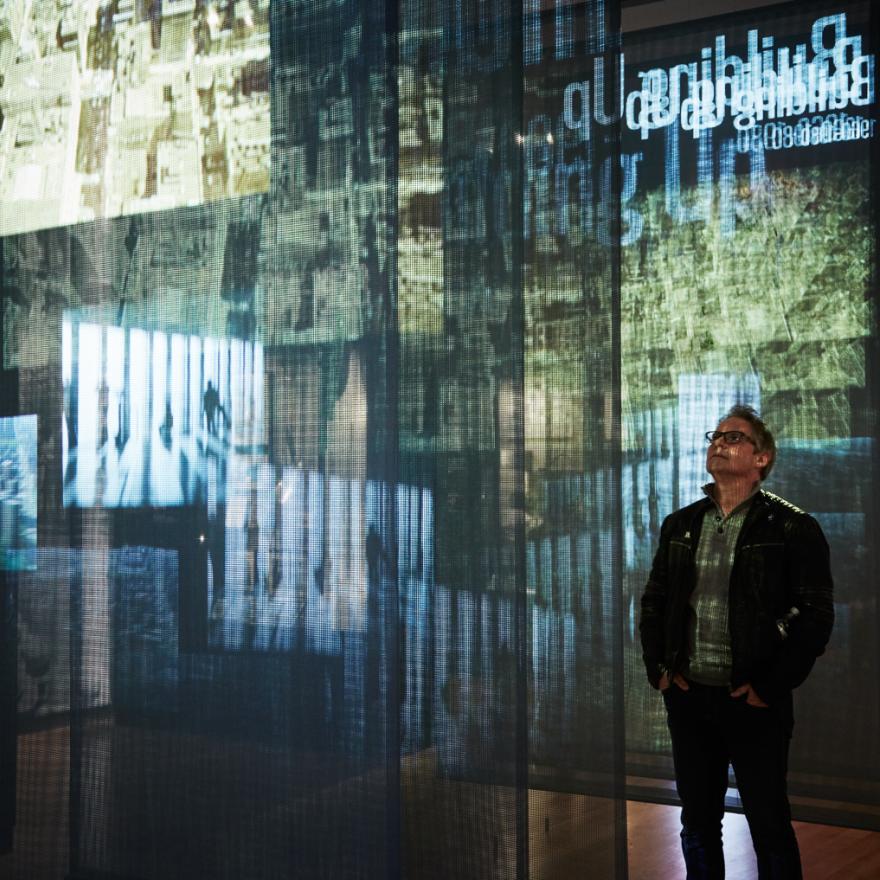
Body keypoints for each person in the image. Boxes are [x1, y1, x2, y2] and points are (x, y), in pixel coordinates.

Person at [640, 404, 834, 879]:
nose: (718, 444)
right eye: (715, 436)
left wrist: (768, 686)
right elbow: (654, 602)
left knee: (768, 822)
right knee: (697, 819)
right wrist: (660, 670)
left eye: (733, 437)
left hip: (752, 700)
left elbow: (815, 616)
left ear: (762, 457)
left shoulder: (792, 526)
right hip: (689, 698)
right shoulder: (681, 525)